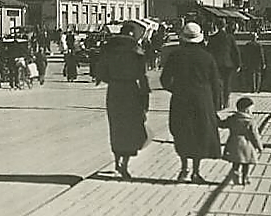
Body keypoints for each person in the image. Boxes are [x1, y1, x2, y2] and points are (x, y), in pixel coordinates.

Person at [161, 22, 222, 184]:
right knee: (200, 133)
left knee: (181, 132)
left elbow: (164, 80)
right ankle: (196, 171)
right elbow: (216, 83)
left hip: (181, 99)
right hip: (202, 100)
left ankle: (184, 168)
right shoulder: (207, 57)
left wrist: (176, 90)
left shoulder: (175, 55)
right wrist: (215, 104)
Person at [94, 21, 151, 180]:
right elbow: (142, 76)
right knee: (130, 128)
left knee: (116, 126)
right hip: (131, 92)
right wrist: (145, 100)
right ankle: (124, 165)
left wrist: (112, 79)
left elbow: (100, 72)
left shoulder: (109, 50)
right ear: (131, 34)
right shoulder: (136, 51)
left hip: (114, 92)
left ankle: (116, 160)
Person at [218, 97, 263, 186]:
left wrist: (216, 119)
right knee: (246, 163)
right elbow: (255, 136)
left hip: (233, 142)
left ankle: (235, 172)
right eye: (251, 109)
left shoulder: (232, 118)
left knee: (236, 161)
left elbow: (222, 124)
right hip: (246, 144)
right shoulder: (250, 121)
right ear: (246, 109)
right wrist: (259, 146)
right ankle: (245, 177)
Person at [206, 20, 241, 110]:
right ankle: (226, 102)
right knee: (227, 84)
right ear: (225, 26)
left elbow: (208, 52)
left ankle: (218, 103)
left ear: (216, 26)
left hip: (216, 64)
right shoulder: (230, 37)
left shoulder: (212, 38)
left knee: (217, 84)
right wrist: (238, 64)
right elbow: (235, 52)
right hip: (228, 64)